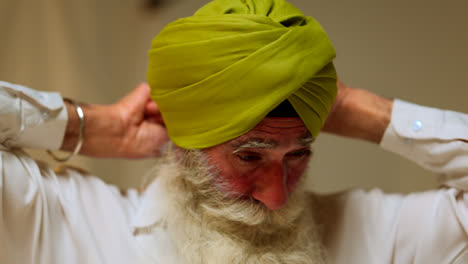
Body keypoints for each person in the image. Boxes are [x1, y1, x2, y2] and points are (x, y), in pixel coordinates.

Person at [1, 1, 467, 264]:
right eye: (249, 158)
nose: (277, 197)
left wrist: (360, 110)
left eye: (297, 155)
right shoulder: (64, 221)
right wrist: (90, 127)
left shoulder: (375, 233)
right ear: (183, 145)